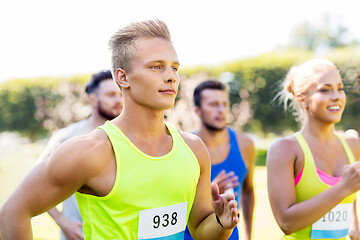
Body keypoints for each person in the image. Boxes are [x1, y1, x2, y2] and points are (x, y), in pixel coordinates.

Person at [0, 19, 240, 240]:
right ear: (123, 78)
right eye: (157, 67)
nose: (171, 77)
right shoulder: (91, 151)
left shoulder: (194, 149)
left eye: (174, 68)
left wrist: (222, 223)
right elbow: (14, 210)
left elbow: (199, 229)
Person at [266, 58, 360, 240]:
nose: (336, 96)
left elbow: (350, 204)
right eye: (325, 90)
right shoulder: (285, 149)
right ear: (302, 99)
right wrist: (344, 187)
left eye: (340, 88)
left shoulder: (353, 145)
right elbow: (286, 223)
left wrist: (355, 228)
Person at [36, 70, 123, 240]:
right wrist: (63, 223)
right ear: (93, 99)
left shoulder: (129, 137)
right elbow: (37, 186)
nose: (118, 100)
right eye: (111, 95)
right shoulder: (67, 137)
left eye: (120, 94)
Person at [184, 80, 255, 240]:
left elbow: (248, 190)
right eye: (213, 104)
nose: (221, 110)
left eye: (224, 104)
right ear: (197, 110)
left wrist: (249, 236)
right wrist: (206, 195)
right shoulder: (184, 147)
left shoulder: (245, 145)